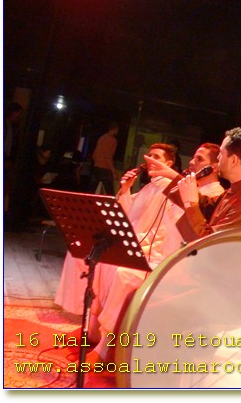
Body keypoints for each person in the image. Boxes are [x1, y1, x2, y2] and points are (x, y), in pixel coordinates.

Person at [89, 143, 226, 363]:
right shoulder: (187, 188)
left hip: (183, 263)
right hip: (161, 251)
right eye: (193, 158)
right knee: (108, 259)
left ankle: (108, 346)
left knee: (125, 274)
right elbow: (158, 227)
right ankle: (97, 331)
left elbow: (197, 236)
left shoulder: (215, 195)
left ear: (215, 166)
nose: (192, 162)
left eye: (200, 159)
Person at [53, 143, 176, 317]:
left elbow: (161, 230)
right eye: (149, 156)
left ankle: (98, 314)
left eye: (157, 157)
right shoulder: (149, 187)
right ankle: (84, 309)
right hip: (130, 239)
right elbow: (127, 213)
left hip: (145, 246)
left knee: (112, 266)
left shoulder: (170, 189)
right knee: (79, 253)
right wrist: (125, 188)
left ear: (169, 164)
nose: (150, 160)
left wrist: (134, 241)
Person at [145, 127, 241, 239]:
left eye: (221, 154)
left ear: (234, 160)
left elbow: (211, 244)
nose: (218, 158)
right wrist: (172, 175)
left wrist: (190, 204)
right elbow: (206, 206)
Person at [89, 122, 119, 195]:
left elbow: (94, 155)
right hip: (105, 169)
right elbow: (108, 156)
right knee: (110, 193)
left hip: (96, 167)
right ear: (115, 129)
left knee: (91, 192)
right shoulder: (113, 140)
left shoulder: (101, 138)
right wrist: (113, 172)